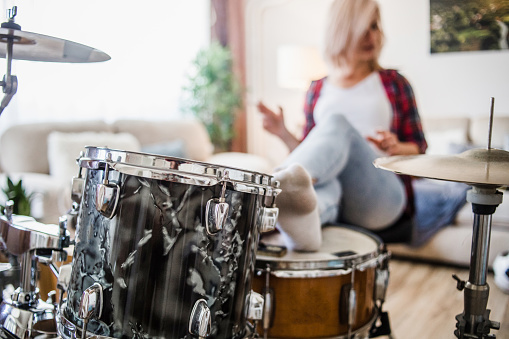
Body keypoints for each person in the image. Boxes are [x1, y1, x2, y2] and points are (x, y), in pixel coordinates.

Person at [259, 0, 468, 251]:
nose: (372, 36)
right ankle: (307, 224)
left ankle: (268, 194)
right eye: (363, 28)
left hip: (383, 198)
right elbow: (312, 152)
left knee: (337, 123)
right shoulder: (317, 89)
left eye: (375, 27)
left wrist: (395, 147)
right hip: (337, 197)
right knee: (319, 188)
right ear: (343, 31)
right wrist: (282, 132)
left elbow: (419, 149)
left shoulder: (394, 83)